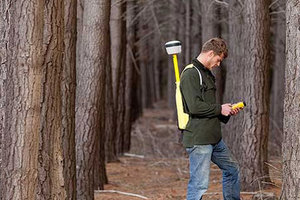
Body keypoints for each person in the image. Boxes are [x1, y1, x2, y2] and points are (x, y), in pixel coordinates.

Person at [180, 38, 241, 200]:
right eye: (218, 60)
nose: (218, 64)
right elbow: (193, 107)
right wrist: (219, 108)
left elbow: (207, 107)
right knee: (199, 184)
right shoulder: (191, 73)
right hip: (199, 139)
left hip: (214, 138)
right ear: (210, 53)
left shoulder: (206, 73)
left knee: (232, 169)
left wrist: (225, 111)